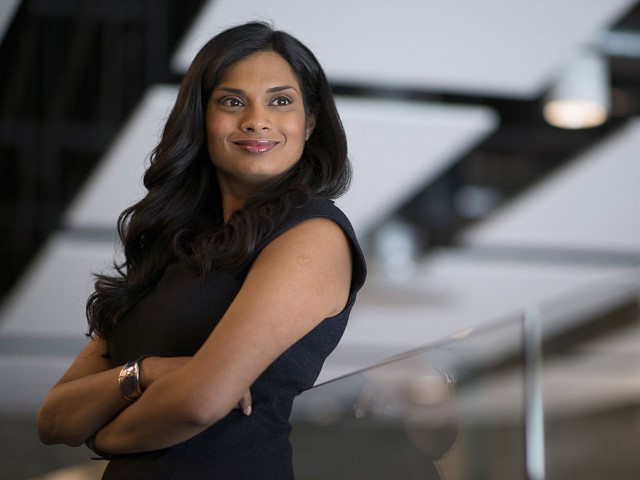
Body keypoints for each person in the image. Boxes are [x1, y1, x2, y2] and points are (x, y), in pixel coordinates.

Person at [36, 21, 366, 479]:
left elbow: (201, 402)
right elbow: (53, 418)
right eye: (232, 101)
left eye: (281, 100)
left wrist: (103, 436)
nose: (256, 119)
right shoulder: (173, 247)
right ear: (202, 119)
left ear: (310, 121)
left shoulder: (313, 233)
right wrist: (147, 372)